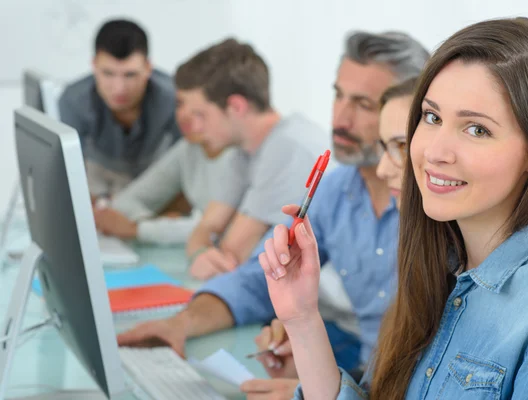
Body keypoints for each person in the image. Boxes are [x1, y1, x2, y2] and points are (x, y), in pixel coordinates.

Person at [259, 17, 528, 400]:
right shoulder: (437, 262)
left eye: (476, 129)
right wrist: (301, 318)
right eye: (432, 117)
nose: (434, 152)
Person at [116, 30, 429, 394]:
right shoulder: (336, 188)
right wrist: (180, 324)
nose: (340, 118)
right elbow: (256, 279)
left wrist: (313, 390)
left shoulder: (439, 213)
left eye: (363, 104)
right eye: (338, 95)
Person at [240, 79, 418, 399]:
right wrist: (304, 337)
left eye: (401, 146)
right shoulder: (338, 186)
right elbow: (385, 378)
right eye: (338, 95)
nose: (381, 170)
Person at [95, 38, 327, 267]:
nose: (193, 127)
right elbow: (205, 229)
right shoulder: (243, 153)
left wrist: (205, 252)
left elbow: (230, 254)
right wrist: (201, 253)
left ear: (236, 107)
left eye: (201, 115)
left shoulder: (287, 149)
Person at [59, 19, 181, 199]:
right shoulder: (73, 101)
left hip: (158, 187)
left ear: (148, 68)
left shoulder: (175, 99)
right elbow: (70, 174)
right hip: (99, 186)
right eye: (108, 73)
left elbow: (187, 166)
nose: (119, 88)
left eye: (130, 74)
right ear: (94, 66)